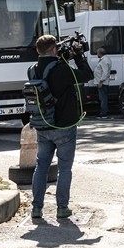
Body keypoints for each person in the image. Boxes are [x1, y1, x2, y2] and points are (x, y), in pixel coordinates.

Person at [29, 34, 93, 220]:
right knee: (64, 168)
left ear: (38, 50)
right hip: (64, 125)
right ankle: (61, 208)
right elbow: (86, 75)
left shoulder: (32, 70)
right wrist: (79, 56)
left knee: (41, 166)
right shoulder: (62, 69)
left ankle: (36, 208)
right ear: (53, 49)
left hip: (42, 124)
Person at [92, 46, 113, 118]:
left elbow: (105, 72)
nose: (96, 54)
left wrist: (101, 81)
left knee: (103, 98)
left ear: (100, 53)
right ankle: (103, 111)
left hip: (102, 83)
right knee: (102, 98)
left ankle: (103, 113)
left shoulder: (104, 60)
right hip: (102, 82)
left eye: (97, 53)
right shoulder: (104, 59)